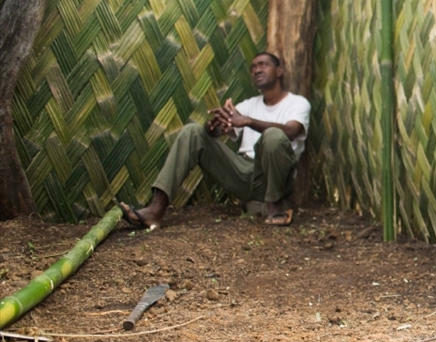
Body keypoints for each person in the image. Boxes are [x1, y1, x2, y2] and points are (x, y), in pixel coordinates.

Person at [120, 52, 311, 229]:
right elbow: (225, 127)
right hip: (243, 173)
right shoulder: (247, 105)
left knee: (274, 135)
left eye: (263, 65)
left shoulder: (298, 103)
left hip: (275, 178)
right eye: (253, 67)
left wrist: (248, 121)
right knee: (192, 131)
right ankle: (155, 210)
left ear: (279, 71)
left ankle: (276, 205)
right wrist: (213, 130)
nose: (257, 70)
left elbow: (291, 131)